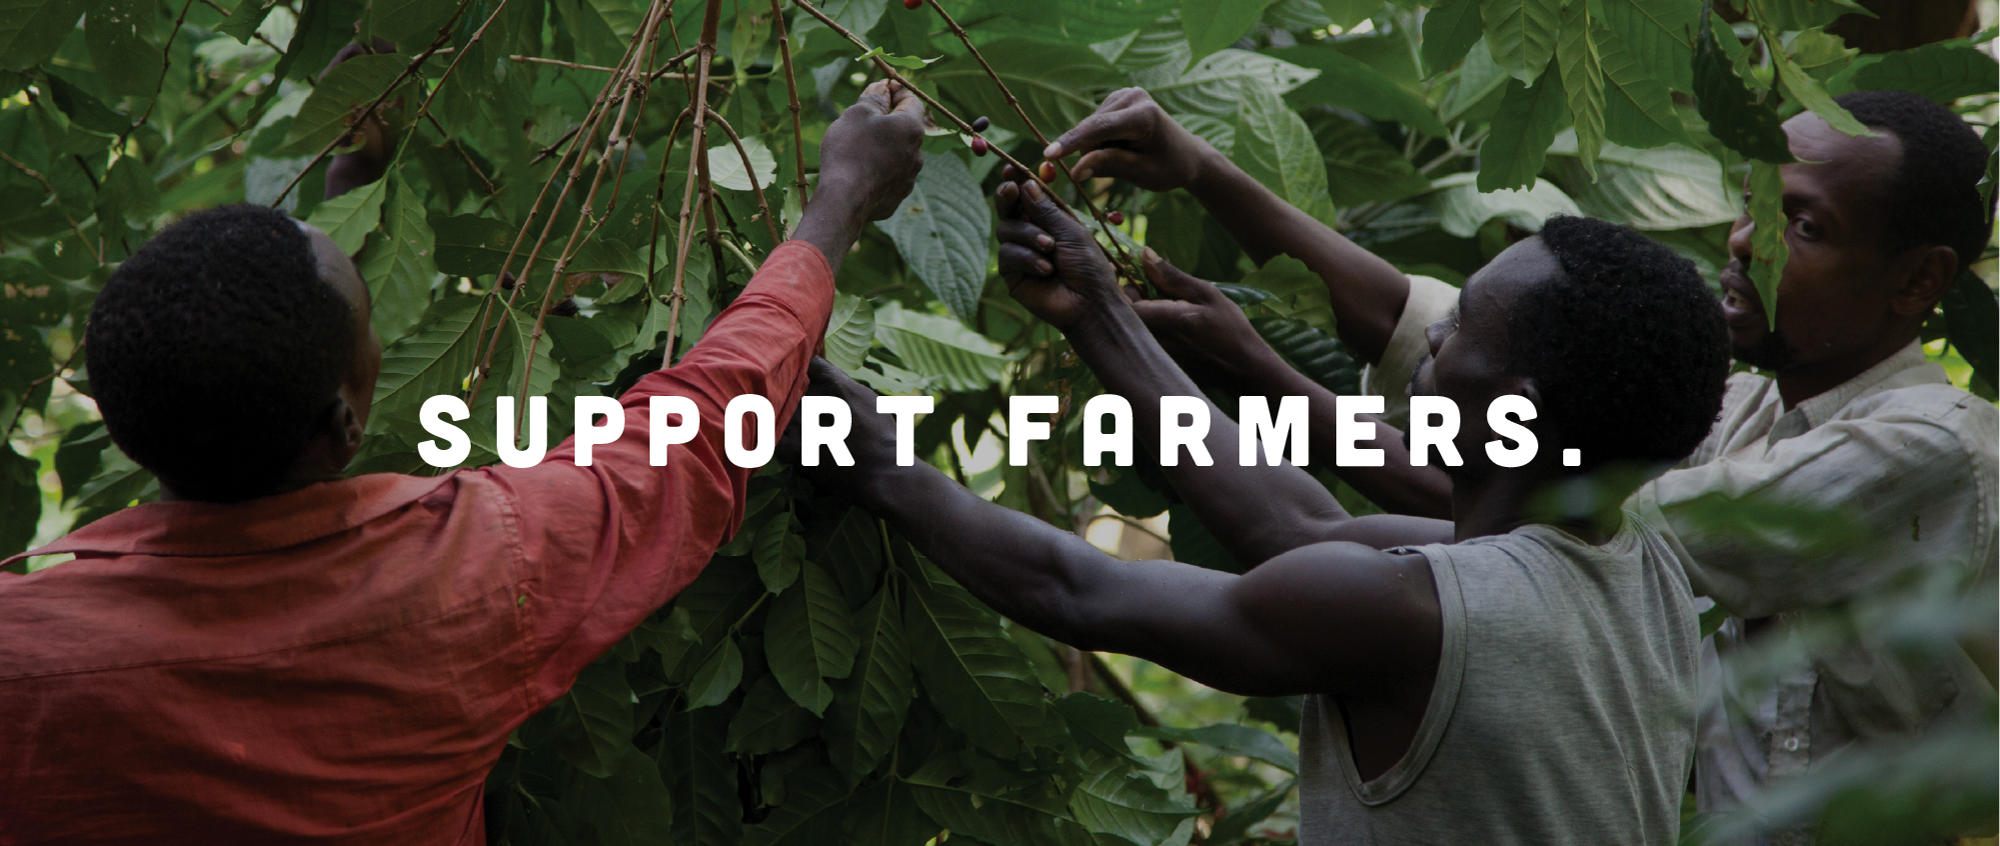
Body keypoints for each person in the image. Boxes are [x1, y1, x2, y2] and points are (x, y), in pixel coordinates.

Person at [1041, 87, 1999, 839]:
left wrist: (1207, 353)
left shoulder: (1926, 448)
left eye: (1804, 223)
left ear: (1919, 280)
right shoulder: (1742, 410)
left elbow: (1510, 486)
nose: (1746, 240)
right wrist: (1202, 170)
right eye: (1751, 201)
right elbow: (1428, 337)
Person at [0, 81, 927, 842]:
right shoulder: (473, 575)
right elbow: (691, 434)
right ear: (346, 424)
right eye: (374, 333)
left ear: (120, 423)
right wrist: (839, 203)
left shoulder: (24, 648)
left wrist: (361, 162)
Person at [798, 173, 1731, 842]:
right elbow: (1297, 528)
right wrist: (1097, 313)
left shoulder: (1420, 613)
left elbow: (1077, 589)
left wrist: (879, 462)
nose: (1432, 341)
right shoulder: (1632, 564)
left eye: (1455, 333)